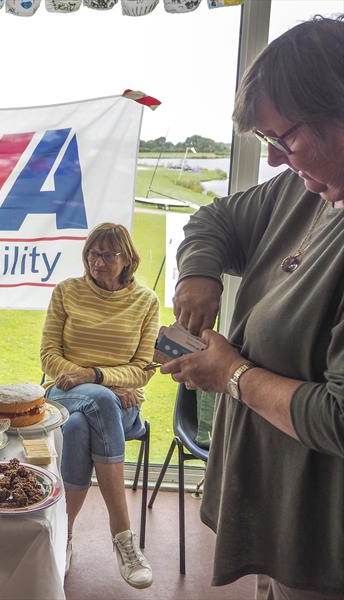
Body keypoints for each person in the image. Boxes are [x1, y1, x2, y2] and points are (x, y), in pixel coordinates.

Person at [161, 16, 344, 600]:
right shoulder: (305, 185)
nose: (274, 160)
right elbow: (212, 220)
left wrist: (233, 375)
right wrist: (198, 272)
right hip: (277, 521)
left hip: (324, 545)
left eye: (283, 139)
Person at [41, 223, 158, 588]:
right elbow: (48, 356)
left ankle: (64, 535)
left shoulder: (146, 302)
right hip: (63, 393)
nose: (98, 261)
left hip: (120, 404)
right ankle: (124, 538)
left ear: (127, 259)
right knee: (99, 402)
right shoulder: (67, 292)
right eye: (93, 252)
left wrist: (94, 375)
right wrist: (94, 380)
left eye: (108, 254)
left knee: (79, 428)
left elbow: (143, 369)